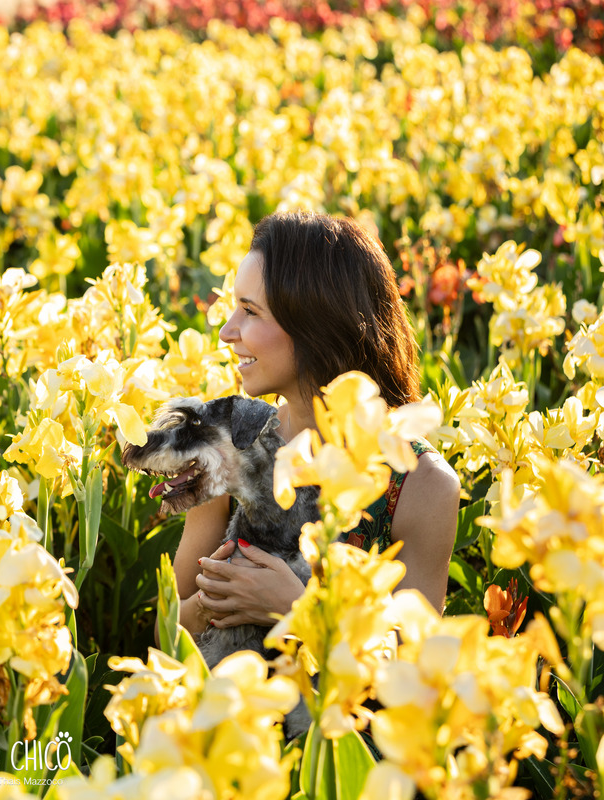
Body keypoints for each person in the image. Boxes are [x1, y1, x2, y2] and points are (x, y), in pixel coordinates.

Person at [175, 211, 460, 638]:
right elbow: (167, 634)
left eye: (250, 311)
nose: (227, 331)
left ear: (313, 325)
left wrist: (294, 608)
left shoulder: (422, 485)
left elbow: (417, 666)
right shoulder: (226, 445)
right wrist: (211, 603)